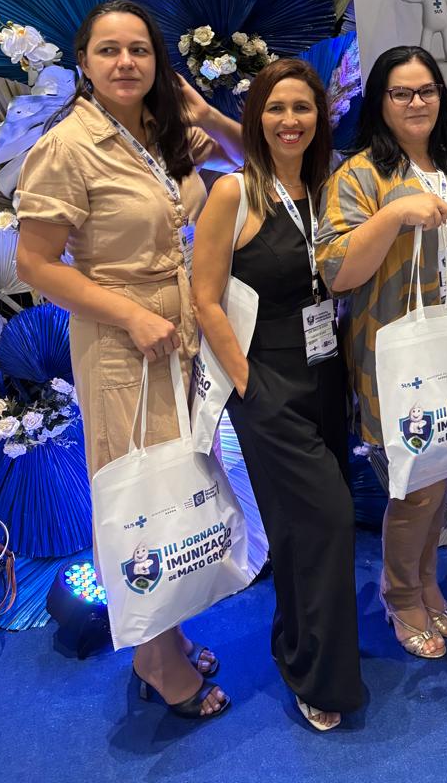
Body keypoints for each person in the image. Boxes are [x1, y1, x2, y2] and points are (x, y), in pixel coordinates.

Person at [14, 0, 242, 719]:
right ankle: (154, 658)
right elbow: (35, 264)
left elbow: (253, 165)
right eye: (109, 50)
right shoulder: (68, 146)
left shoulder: (158, 132)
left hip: (177, 334)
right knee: (137, 499)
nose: (125, 62)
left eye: (139, 50)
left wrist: (205, 117)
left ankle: (167, 636)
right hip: (121, 341)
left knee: (173, 487)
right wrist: (132, 316)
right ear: (83, 61)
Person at [191, 59, 364, 731]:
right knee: (329, 519)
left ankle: (300, 647)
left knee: (299, 531)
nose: (290, 121)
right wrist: (247, 382)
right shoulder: (233, 193)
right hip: (266, 380)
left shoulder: (329, 186)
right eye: (276, 108)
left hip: (326, 373)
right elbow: (206, 300)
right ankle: (320, 677)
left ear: (321, 116)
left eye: (303, 108)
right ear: (256, 117)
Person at [314, 46, 447, 660]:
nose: (417, 102)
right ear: (379, 103)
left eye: (427, 91)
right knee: (414, 485)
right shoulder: (359, 174)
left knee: (439, 476)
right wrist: (393, 215)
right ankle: (401, 594)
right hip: (394, 354)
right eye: (401, 93)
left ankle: (427, 580)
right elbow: (337, 272)